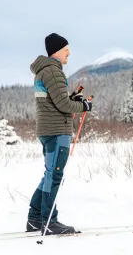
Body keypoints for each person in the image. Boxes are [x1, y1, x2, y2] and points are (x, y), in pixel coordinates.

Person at [27, 33, 92, 235]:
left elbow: (55, 101)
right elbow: (63, 105)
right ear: (56, 51)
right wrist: (83, 105)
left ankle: (35, 219)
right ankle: (49, 221)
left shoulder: (42, 72)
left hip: (47, 130)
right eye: (66, 50)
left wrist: (72, 99)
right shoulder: (54, 72)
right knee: (54, 176)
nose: (69, 53)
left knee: (49, 174)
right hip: (57, 131)